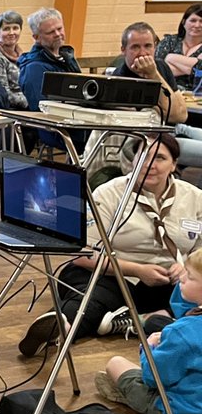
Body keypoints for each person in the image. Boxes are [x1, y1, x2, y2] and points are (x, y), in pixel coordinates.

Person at [20, 135, 202, 355]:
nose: (149, 164)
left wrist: (187, 269)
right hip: (115, 274)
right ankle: (57, 328)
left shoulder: (194, 197)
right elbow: (83, 254)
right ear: (132, 160)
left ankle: (138, 319)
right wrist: (138, 270)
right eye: (143, 156)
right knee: (92, 300)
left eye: (160, 158)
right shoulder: (108, 193)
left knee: (193, 298)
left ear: (174, 164)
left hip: (172, 281)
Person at [96, 247, 202, 414]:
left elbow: (153, 378)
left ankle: (129, 395)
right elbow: (184, 311)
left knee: (116, 363)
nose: (182, 279)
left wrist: (148, 347)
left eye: (190, 276)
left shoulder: (182, 332)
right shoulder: (183, 330)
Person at [83, 22, 199, 184]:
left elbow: (181, 114)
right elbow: (174, 115)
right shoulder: (119, 80)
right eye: (135, 47)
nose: (143, 53)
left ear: (155, 47)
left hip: (178, 128)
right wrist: (153, 76)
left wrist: (154, 75)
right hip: (160, 138)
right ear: (123, 50)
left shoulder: (160, 67)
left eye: (148, 46)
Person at [17, 6, 87, 151]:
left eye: (60, 29)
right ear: (36, 37)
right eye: (50, 32)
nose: (57, 34)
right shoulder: (34, 67)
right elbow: (42, 108)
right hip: (57, 128)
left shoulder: (66, 58)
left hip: (79, 120)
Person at [154, 2, 202, 89]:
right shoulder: (169, 41)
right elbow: (157, 68)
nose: (197, 25)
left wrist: (170, 58)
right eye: (193, 20)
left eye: (201, 21)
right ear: (184, 22)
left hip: (196, 94)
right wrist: (193, 67)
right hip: (165, 90)